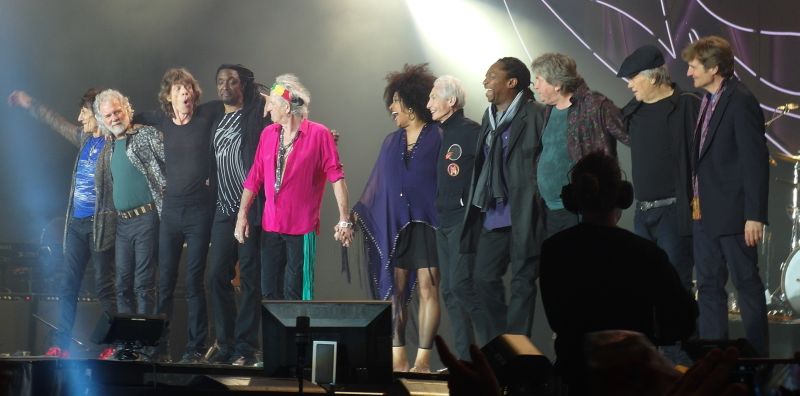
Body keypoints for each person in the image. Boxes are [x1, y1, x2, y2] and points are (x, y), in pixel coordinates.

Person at [539, 152, 697, 394]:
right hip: (635, 384)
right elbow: (683, 320)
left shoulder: (553, 251)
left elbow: (557, 320)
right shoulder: (647, 254)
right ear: (622, 195)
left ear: (574, 197)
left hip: (574, 381)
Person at [7, 89, 117, 358]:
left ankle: (114, 344)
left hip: (100, 227)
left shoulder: (114, 143)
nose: (79, 117)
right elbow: (54, 121)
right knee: (69, 285)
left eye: (84, 112)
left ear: (97, 113)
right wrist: (29, 102)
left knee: (105, 286)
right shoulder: (84, 139)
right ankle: (60, 344)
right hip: (77, 226)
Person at [682, 36, 770, 356]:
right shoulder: (706, 99)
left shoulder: (740, 99)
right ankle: (713, 359)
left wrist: (755, 214)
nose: (689, 73)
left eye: (694, 67)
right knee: (707, 287)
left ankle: (759, 361)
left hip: (734, 214)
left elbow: (754, 160)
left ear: (714, 68)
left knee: (746, 285)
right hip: (703, 211)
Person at [353, 63, 441, 372]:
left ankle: (423, 360)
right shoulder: (390, 142)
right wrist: (355, 214)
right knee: (395, 292)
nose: (391, 107)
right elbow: (376, 185)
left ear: (413, 103)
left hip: (428, 224)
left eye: (396, 101)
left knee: (429, 287)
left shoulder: (438, 135)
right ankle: (398, 356)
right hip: (396, 227)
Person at [235, 74, 352, 303]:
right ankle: (274, 340)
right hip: (271, 227)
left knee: (295, 294)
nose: (267, 111)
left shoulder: (319, 135)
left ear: (286, 107)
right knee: (269, 293)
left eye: (272, 105)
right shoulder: (268, 134)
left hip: (301, 228)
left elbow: (336, 177)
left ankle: (297, 339)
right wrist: (242, 216)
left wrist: (344, 218)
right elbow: (254, 177)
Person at [136, 68, 220, 363]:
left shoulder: (207, 115)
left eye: (189, 89)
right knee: (166, 282)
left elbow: (240, 102)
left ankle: (196, 348)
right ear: (169, 97)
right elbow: (130, 116)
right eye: (179, 90)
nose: (185, 93)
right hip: (171, 213)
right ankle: (159, 347)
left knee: (195, 281)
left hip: (199, 212)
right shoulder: (162, 121)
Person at [461, 57, 545, 343]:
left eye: (491, 76)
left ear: (512, 82)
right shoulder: (489, 117)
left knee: (523, 282)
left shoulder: (536, 114)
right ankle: (502, 343)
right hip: (494, 213)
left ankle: (517, 351)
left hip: (525, 213)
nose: (485, 81)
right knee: (482, 279)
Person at [618, 44, 699, 295]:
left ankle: (682, 335)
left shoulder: (688, 105)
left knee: (675, 284)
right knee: (644, 286)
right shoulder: (632, 111)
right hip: (643, 213)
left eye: (633, 78)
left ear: (652, 76)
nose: (629, 85)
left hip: (674, 213)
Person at [206, 64, 268, 366]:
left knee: (250, 277)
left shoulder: (256, 112)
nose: (225, 86)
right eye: (220, 81)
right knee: (216, 275)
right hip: (223, 208)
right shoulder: (216, 115)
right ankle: (226, 342)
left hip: (252, 207)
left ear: (244, 84)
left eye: (231, 81)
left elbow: (295, 102)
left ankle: (247, 347)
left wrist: (266, 90)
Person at [530, 52, 628, 238]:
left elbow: (629, 132)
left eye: (539, 79)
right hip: (550, 209)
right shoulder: (548, 111)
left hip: (579, 209)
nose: (535, 86)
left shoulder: (594, 104)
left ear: (557, 84)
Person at [94, 89, 165, 321]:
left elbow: (171, 161)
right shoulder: (109, 146)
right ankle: (128, 343)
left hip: (147, 218)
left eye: (117, 111)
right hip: (122, 224)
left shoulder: (146, 135)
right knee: (122, 285)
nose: (114, 118)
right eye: (108, 115)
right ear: (102, 120)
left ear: (127, 109)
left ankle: (146, 346)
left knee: (143, 285)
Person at [425, 75, 482, 361]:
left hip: (463, 219)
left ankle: (494, 356)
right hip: (442, 220)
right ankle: (466, 360)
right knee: (449, 290)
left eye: (434, 97)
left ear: (451, 101)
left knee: (462, 286)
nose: (428, 104)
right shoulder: (438, 132)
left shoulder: (471, 131)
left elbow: (485, 172)